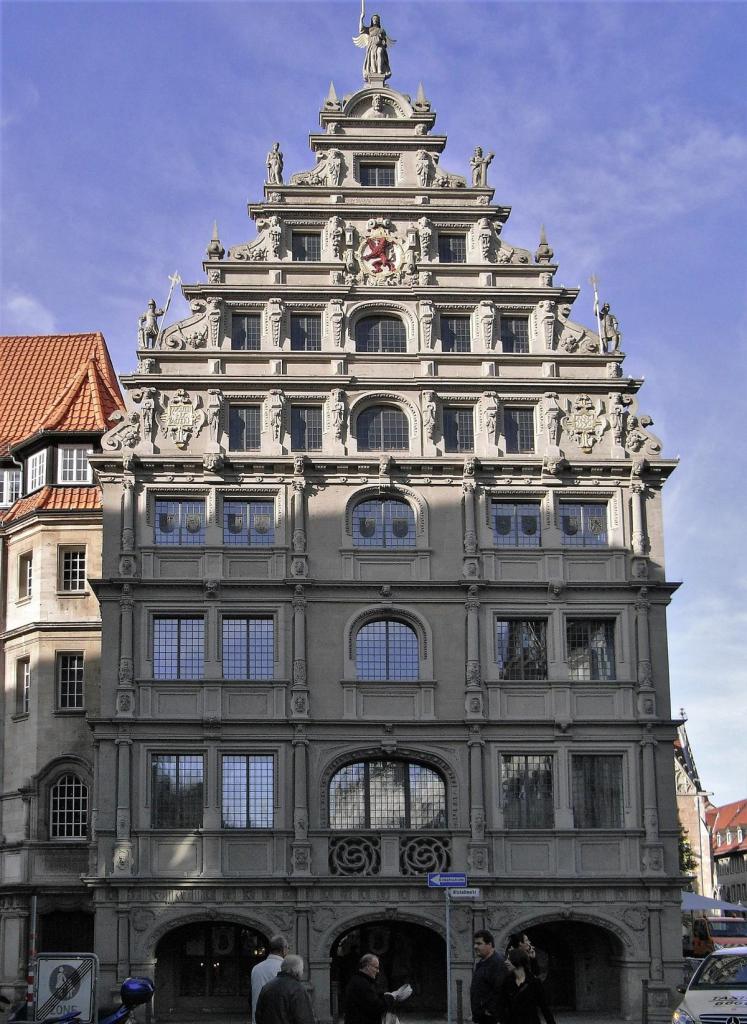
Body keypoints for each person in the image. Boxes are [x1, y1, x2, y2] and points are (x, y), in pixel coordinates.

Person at [343, 952, 411, 1024]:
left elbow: (370, 998)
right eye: (376, 968)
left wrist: (385, 995)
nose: (378, 971)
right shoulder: (362, 983)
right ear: (368, 966)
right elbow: (377, 1007)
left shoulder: (359, 980)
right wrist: (392, 997)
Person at [255, 955, 314, 1024]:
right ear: (295, 970)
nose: (302, 972)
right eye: (302, 969)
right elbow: (304, 1018)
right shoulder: (298, 989)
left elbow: (258, 1015)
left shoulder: (267, 986)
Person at [501, 949, 555, 1024]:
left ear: (517, 960)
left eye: (509, 959)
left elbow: (544, 1007)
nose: (506, 962)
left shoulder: (534, 983)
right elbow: (502, 1005)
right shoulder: (507, 982)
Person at [471, 930, 510, 1024]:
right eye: (475, 943)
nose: (475, 946)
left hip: (491, 1019)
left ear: (490, 944)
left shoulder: (497, 963)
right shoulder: (482, 962)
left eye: (479, 943)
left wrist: (489, 1011)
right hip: (482, 1017)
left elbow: (500, 991)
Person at [251, 934, 289, 1023]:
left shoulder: (256, 968)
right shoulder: (284, 968)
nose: (288, 951)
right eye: (288, 948)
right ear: (283, 949)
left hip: (258, 1019)